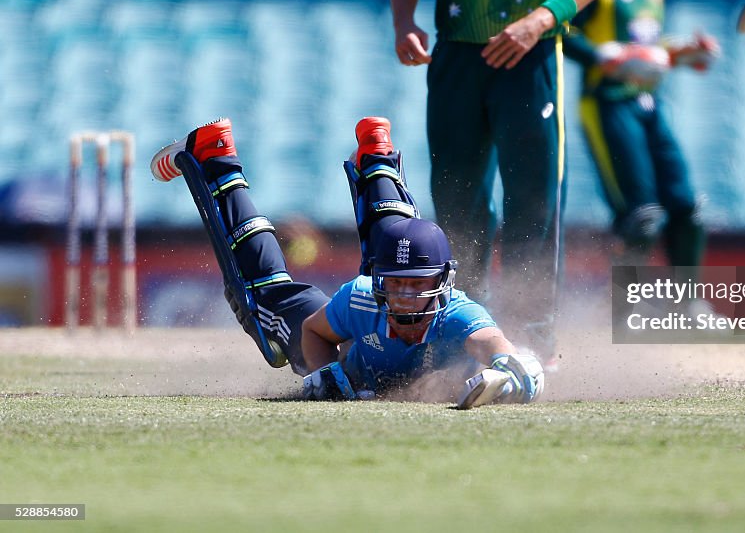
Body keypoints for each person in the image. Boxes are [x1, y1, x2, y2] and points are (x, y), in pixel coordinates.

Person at [149, 117, 544, 405]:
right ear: (378, 282)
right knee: (267, 302)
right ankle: (216, 162)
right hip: (348, 354)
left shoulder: (457, 315)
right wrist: (325, 371)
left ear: (443, 283)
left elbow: (496, 346)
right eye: (395, 283)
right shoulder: (361, 297)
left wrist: (508, 371)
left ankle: (377, 156)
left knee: (398, 250)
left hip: (368, 350)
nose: (404, 295)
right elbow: (314, 332)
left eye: (417, 284)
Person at [388, 0, 604, 359]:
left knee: (532, 199)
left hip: (529, 63)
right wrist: (404, 23)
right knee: (457, 197)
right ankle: (466, 329)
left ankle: (534, 335)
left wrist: (539, 20)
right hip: (456, 58)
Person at [563, 0, 719, 290]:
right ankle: (625, 309)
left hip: (650, 103)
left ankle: (689, 307)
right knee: (641, 217)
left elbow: (650, 50)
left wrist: (685, 52)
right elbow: (563, 30)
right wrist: (601, 56)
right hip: (608, 104)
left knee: (686, 208)